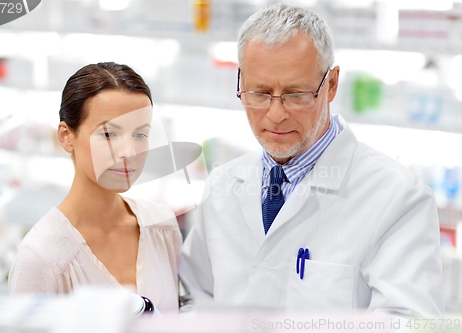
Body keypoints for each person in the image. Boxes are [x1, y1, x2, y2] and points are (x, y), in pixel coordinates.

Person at [180, 4, 444, 317]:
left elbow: (408, 321)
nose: (276, 115)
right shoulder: (223, 184)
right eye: (260, 93)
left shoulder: (399, 196)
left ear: (330, 85)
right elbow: (194, 301)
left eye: (296, 94)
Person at [9, 62, 182, 313]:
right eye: (109, 134)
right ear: (67, 136)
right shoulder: (41, 257)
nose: (128, 152)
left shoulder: (162, 225)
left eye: (140, 135)